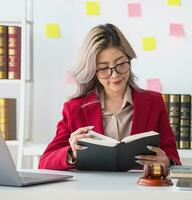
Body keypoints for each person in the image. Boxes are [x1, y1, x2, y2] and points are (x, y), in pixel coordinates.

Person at [38, 24, 181, 170]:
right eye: (104, 68)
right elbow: (45, 162)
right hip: (93, 190)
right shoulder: (74, 108)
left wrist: (167, 162)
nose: (115, 74)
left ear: (129, 60)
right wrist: (71, 153)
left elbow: (173, 157)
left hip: (140, 189)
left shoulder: (154, 102)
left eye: (120, 64)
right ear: (93, 70)